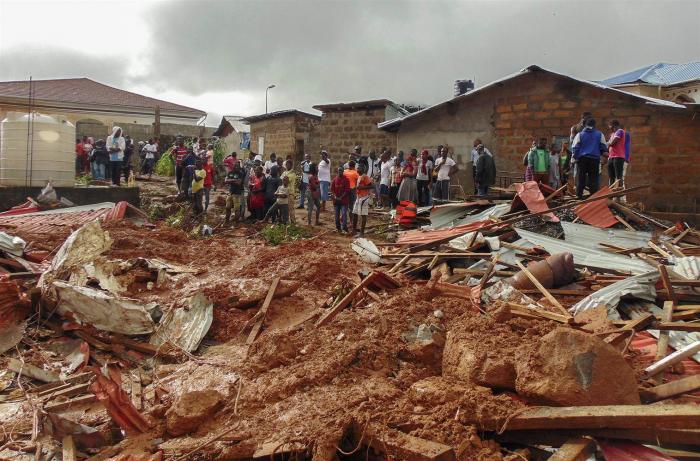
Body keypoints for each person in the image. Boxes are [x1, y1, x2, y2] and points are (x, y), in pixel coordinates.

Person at [571, 118, 607, 199]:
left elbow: (575, 147)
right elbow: (603, 147)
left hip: (582, 159)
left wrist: (575, 158)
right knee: (593, 179)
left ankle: (579, 196)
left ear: (585, 125)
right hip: (594, 160)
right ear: (594, 125)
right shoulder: (600, 134)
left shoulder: (579, 134)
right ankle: (593, 197)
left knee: (581, 178)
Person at [352, 164, 373, 237]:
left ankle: (362, 233)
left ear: (363, 169)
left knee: (363, 215)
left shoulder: (365, 177)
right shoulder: (359, 176)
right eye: (357, 168)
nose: (357, 169)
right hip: (358, 197)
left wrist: (362, 187)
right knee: (355, 213)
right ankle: (354, 230)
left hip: (364, 198)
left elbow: (371, 186)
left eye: (359, 168)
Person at [606, 120, 626, 188]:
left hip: (618, 157)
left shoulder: (620, 131)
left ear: (613, 125)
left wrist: (607, 143)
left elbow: (612, 143)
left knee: (618, 176)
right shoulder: (612, 134)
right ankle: (611, 194)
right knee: (611, 177)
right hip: (611, 157)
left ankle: (619, 194)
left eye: (610, 126)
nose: (609, 128)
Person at [225, 160, 245, 225]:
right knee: (227, 207)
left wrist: (230, 180)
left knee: (237, 209)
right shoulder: (230, 172)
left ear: (239, 167)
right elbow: (226, 180)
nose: (236, 167)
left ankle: (236, 223)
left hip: (237, 193)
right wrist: (234, 180)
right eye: (235, 165)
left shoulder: (241, 173)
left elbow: (239, 183)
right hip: (230, 192)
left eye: (237, 166)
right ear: (233, 166)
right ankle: (226, 221)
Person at [331, 166, 350, 233]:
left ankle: (344, 227)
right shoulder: (334, 180)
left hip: (344, 201)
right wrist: (335, 196)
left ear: (343, 171)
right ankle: (338, 228)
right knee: (336, 215)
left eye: (341, 171)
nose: (340, 172)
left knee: (344, 214)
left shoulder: (346, 179)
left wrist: (341, 197)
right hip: (336, 201)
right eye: (339, 171)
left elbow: (347, 190)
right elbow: (332, 190)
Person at [280, 159, 298, 224]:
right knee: (284, 209)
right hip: (283, 193)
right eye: (286, 164)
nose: (287, 166)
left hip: (290, 194)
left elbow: (286, 181)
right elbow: (281, 180)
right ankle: (285, 222)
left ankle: (293, 222)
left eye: (288, 164)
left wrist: (283, 179)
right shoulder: (284, 172)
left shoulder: (293, 174)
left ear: (291, 165)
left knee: (291, 209)